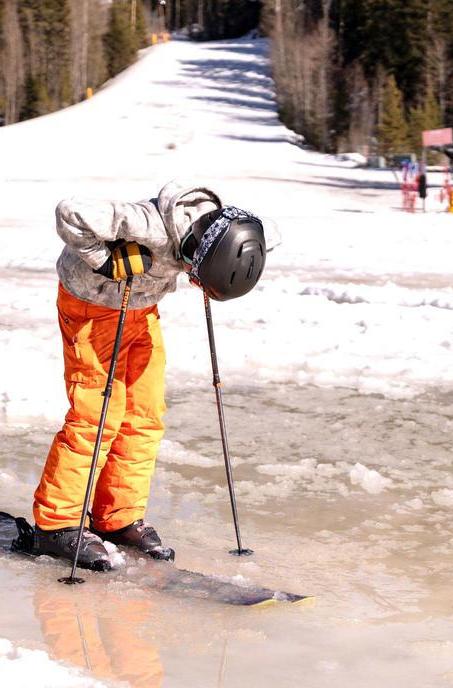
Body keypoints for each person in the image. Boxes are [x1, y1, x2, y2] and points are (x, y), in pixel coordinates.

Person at [29, 180, 277, 571]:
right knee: (96, 417)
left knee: (144, 414)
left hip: (140, 309)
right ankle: (56, 524)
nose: (192, 282)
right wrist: (104, 259)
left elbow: (264, 238)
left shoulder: (232, 231)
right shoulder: (147, 224)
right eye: (197, 277)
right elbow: (70, 212)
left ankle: (118, 516)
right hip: (90, 306)